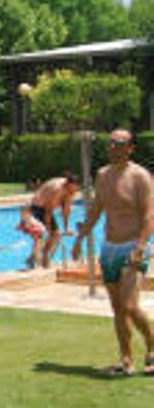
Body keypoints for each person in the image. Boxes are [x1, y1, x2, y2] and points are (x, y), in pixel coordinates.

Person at [75, 129, 154, 376]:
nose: (113, 147)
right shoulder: (102, 175)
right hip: (109, 248)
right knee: (118, 308)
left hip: (133, 245)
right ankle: (126, 360)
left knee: (130, 306)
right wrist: (80, 237)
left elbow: (149, 214)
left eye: (119, 143)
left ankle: (152, 346)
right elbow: (97, 209)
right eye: (110, 143)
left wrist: (141, 247)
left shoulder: (140, 176)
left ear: (130, 148)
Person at [29, 174, 80, 268]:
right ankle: (44, 258)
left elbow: (66, 210)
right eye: (72, 188)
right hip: (38, 206)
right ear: (67, 184)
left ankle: (36, 257)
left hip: (46, 207)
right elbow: (48, 210)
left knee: (55, 234)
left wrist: (66, 227)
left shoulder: (71, 191)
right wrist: (49, 228)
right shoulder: (57, 190)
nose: (74, 191)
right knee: (54, 233)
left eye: (75, 189)